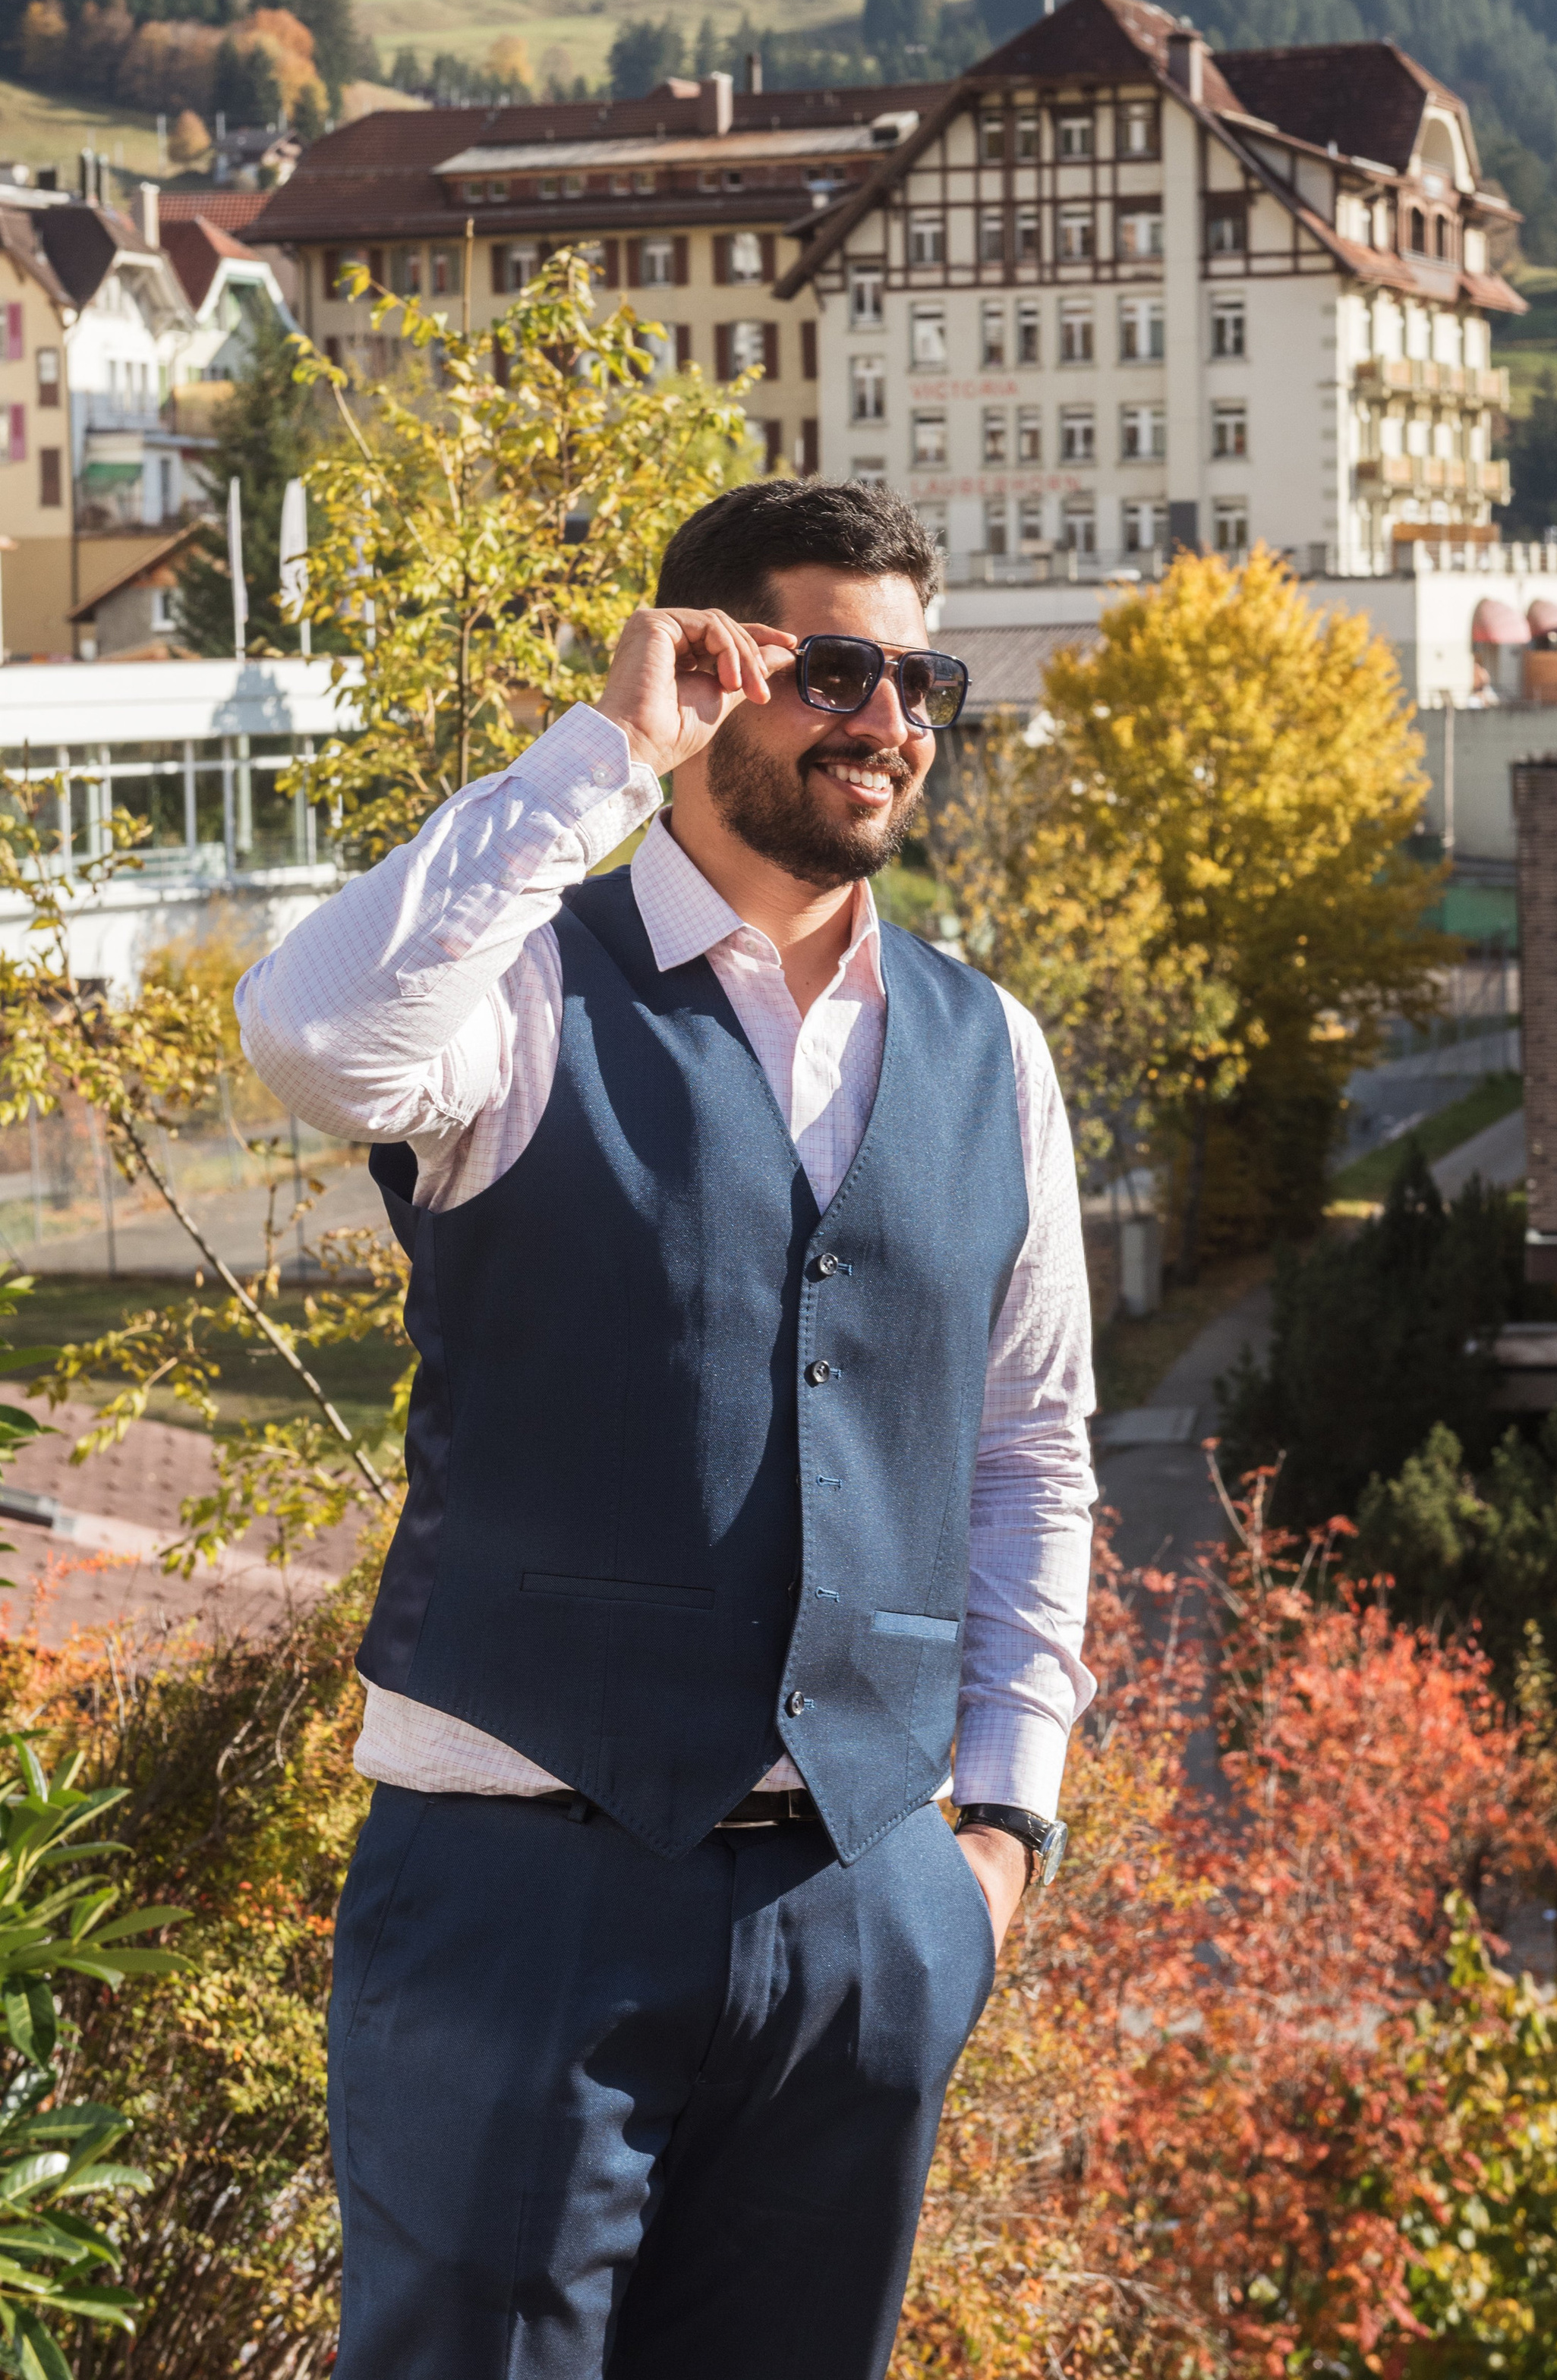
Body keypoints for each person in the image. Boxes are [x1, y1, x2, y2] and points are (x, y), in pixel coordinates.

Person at [238, 477, 1097, 2380]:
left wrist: (1000, 1837)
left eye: (921, 681)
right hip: (519, 1895)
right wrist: (602, 757)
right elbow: (312, 1037)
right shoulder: (525, 987)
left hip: (864, 1907)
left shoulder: (990, 1051)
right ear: (711, 671)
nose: (888, 720)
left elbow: (1029, 1453)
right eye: (836, 670)